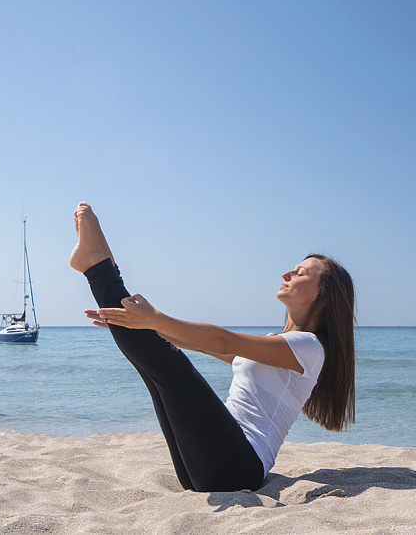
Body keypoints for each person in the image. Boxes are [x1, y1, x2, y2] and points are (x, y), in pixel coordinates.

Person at [69, 202, 356, 492]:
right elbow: (210, 347)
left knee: (169, 365)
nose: (287, 275)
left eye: (301, 273)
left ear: (324, 295)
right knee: (156, 365)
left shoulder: (309, 347)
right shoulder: (279, 344)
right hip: (209, 465)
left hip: (238, 468)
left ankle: (99, 267)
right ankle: (100, 266)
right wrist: (141, 326)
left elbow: (222, 340)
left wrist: (154, 320)